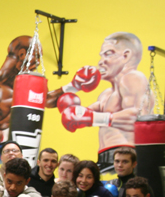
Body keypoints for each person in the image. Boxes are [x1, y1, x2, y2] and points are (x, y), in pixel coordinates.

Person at [59, 33, 153, 172]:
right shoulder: (106, 94)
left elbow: (139, 117)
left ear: (126, 56)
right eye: (101, 56)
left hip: (126, 158)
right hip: (106, 158)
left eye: (108, 54)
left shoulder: (133, 78)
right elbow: (81, 116)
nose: (101, 62)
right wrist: (72, 92)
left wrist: (93, 118)